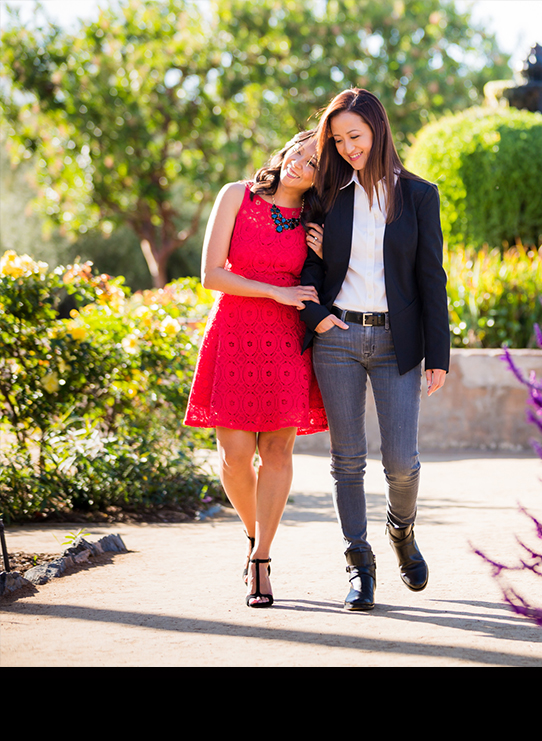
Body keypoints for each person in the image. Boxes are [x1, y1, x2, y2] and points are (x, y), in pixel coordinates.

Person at [299, 88, 449, 611]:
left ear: (378, 131)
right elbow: (310, 268)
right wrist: (318, 319)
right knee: (346, 461)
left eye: (354, 136)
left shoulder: (419, 196)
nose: (346, 147)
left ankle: (401, 531)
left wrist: (439, 354)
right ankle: (358, 564)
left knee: (402, 463)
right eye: (337, 140)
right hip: (336, 339)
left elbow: (432, 277)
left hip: (397, 342)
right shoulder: (327, 196)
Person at [184, 130, 328, 608]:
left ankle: (262, 559)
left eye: (312, 163)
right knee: (234, 455)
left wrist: (324, 258)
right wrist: (276, 291)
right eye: (299, 152)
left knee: (278, 450)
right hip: (235, 332)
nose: (299, 164)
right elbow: (211, 275)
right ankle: (253, 535)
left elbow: (334, 281)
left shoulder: (315, 221)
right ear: (286, 150)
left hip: (288, 342)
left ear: (319, 178)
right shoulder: (235, 195)